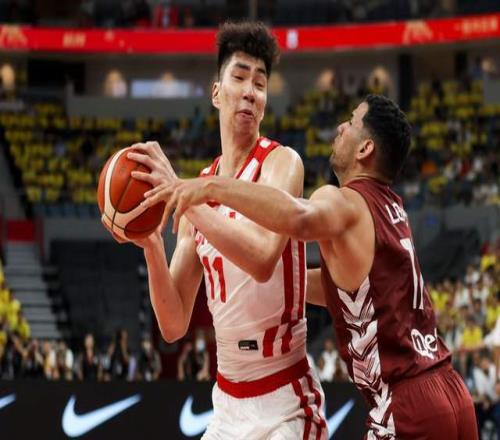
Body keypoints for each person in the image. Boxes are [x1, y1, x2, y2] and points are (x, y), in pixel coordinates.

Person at [145, 94, 478, 438]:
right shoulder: (391, 208)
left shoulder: (344, 201)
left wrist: (208, 187)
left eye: (351, 122)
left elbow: (298, 218)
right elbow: (346, 290)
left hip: (406, 404)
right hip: (452, 391)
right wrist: (270, 282)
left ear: (365, 149)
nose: (341, 127)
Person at [104, 21, 326, 439]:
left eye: (260, 83)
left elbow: (262, 258)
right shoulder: (195, 192)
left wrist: (190, 197)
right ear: (216, 93)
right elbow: (173, 324)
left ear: (265, 102)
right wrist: (152, 246)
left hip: (284, 397)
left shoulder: (282, 164)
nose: (250, 91)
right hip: (227, 401)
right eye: (239, 77)